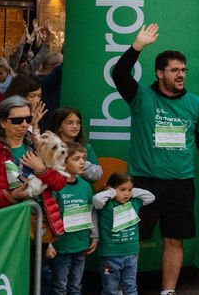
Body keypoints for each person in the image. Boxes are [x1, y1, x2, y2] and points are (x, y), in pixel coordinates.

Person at [112, 23, 199, 295]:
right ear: (160, 73)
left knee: (175, 240)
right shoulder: (141, 98)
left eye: (183, 70)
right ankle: (125, 289)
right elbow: (120, 75)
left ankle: (168, 291)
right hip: (143, 182)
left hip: (180, 184)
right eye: (174, 70)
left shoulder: (195, 103)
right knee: (131, 239)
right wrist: (137, 47)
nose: (181, 75)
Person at [0, 95, 67, 211]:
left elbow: (60, 184)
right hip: (10, 224)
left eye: (28, 119)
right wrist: (11, 196)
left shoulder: (38, 146)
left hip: (41, 223)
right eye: (17, 121)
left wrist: (43, 170)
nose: (24, 124)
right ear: (3, 123)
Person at [93, 172, 156, 295]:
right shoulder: (106, 204)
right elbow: (96, 199)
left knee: (131, 287)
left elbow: (151, 197)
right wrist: (112, 192)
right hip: (110, 255)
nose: (126, 193)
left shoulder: (134, 202)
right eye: (122, 189)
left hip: (131, 254)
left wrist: (133, 192)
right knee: (110, 289)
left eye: (129, 190)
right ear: (111, 189)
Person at [48, 142, 98, 295]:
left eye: (83, 158)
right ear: (63, 162)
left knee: (76, 287)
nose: (82, 162)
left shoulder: (86, 186)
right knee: (60, 288)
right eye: (76, 159)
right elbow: (49, 215)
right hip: (61, 247)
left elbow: (92, 212)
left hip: (81, 245)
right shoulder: (56, 187)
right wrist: (48, 244)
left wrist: (95, 236)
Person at [48, 107, 102, 183]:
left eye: (78, 122)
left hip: (81, 190)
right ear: (59, 127)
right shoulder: (49, 147)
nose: (75, 126)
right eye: (70, 123)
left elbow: (97, 175)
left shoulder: (86, 147)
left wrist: (79, 160)